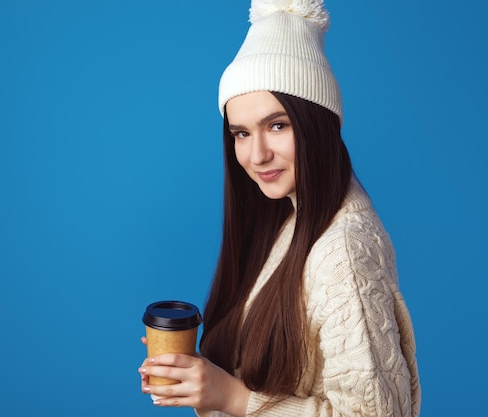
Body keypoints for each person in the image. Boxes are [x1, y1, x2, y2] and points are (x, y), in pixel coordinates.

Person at [138, 0, 421, 415]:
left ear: (318, 124)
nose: (257, 155)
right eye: (240, 133)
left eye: (277, 125)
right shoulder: (290, 219)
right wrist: (201, 376)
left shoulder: (342, 251)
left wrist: (233, 397)